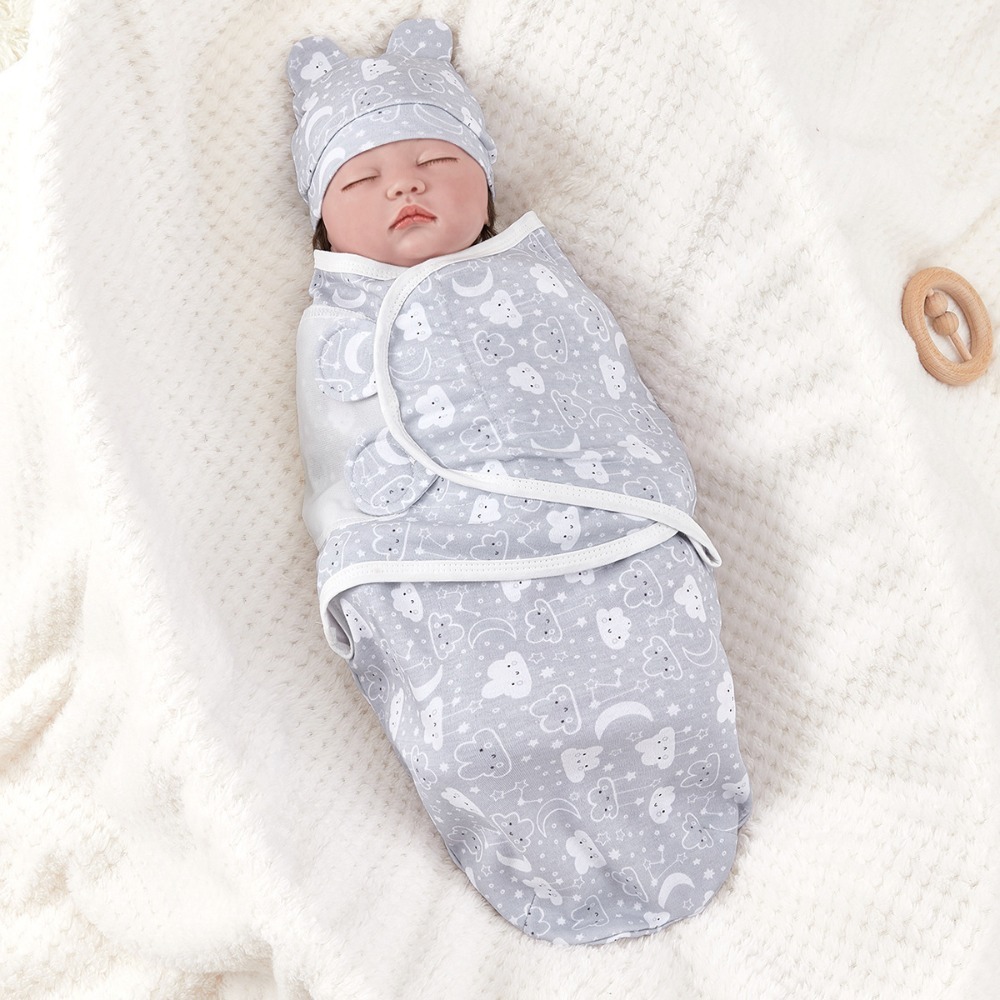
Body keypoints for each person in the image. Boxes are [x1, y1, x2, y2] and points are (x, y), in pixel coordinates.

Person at [287, 18, 751, 945]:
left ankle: (686, 782)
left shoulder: (539, 282)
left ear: (489, 186)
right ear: (323, 222)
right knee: (475, 737)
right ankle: (513, 828)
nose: (404, 184)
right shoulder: (331, 327)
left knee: (668, 690)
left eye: (434, 159)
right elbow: (334, 461)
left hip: (605, 524)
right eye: (361, 179)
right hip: (432, 561)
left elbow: (605, 388)